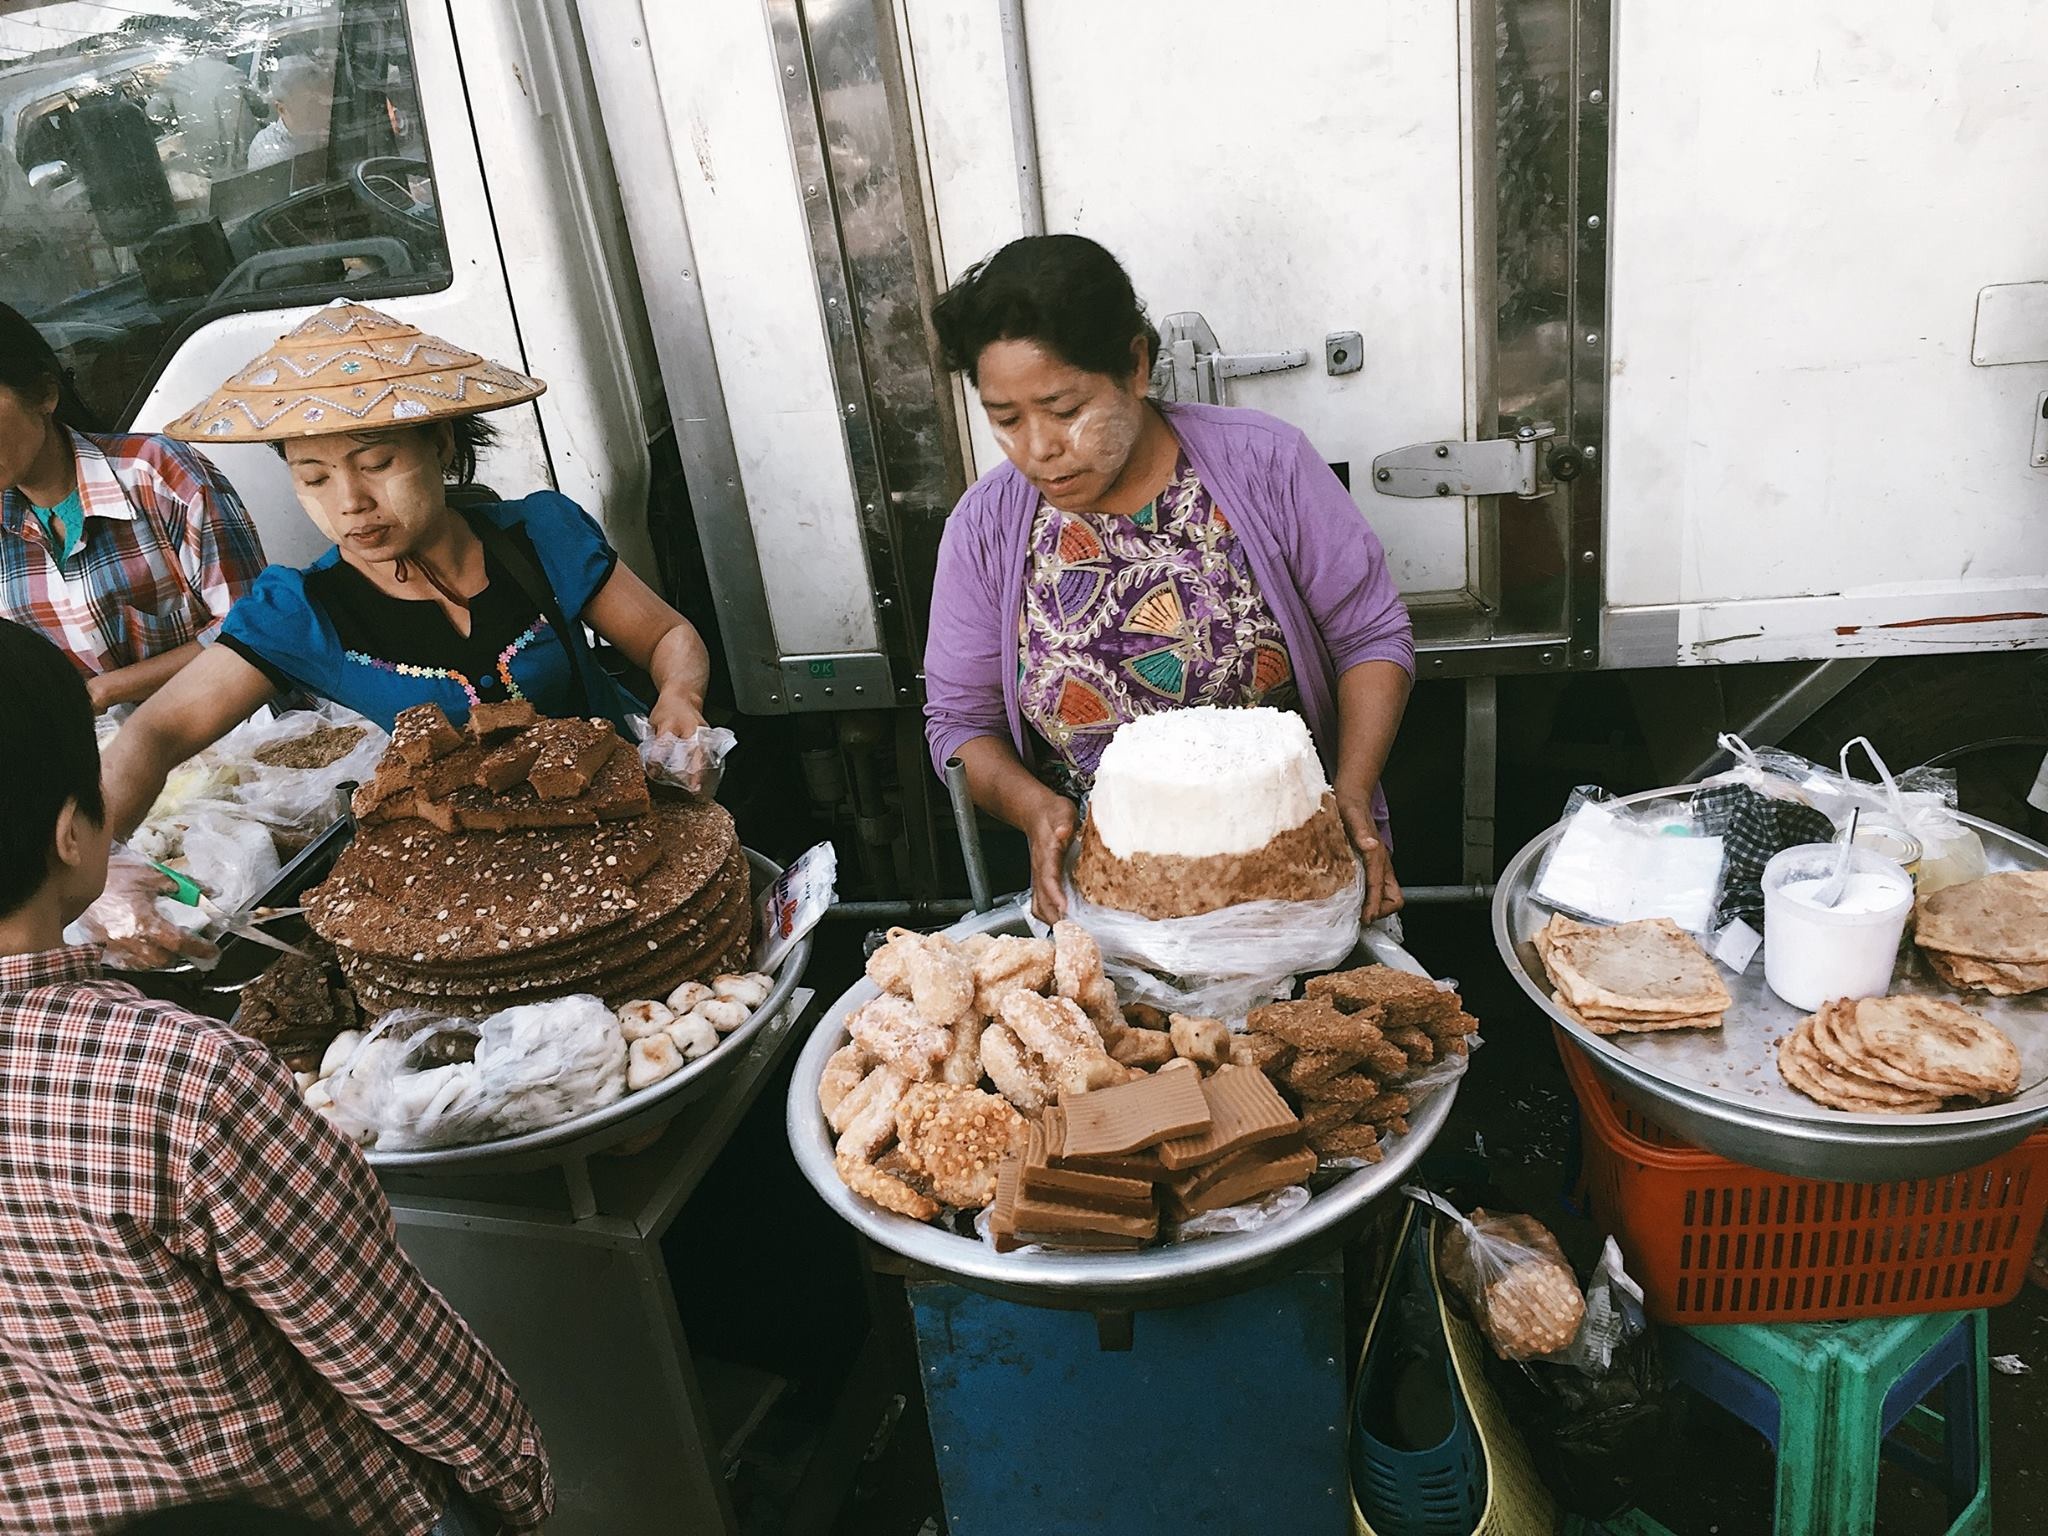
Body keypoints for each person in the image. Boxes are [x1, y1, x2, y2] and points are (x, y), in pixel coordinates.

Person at [0, 617, 552, 1536]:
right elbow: (385, 1346)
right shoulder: (184, 1082)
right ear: (70, 832)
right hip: (315, 1510)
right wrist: (518, 1485)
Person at [97, 299, 710, 885]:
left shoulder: (539, 535)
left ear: (440, 444)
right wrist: (97, 865)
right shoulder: (303, 613)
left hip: (640, 833)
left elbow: (666, 635)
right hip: (486, 880)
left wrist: (679, 695)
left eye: (376, 465)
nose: (350, 502)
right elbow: (155, 734)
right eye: (314, 478)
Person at [924, 234, 1414, 923]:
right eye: (1005, 419)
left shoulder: (1266, 464)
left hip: (1293, 872)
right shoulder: (985, 527)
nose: (1038, 449)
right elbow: (960, 722)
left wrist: (1352, 793)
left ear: (1135, 365)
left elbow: (1371, 639)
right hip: (1105, 892)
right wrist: (1036, 810)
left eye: (1065, 411)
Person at [0, 304, 267, 709]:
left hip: (237, 723)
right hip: (99, 741)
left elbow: (254, 628)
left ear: (44, 395)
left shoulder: (157, 473)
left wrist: (107, 690)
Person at [247, 56, 334, 173]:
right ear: (282, 109)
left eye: (327, 105)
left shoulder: (325, 132)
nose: (327, 115)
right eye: (312, 107)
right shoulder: (269, 151)